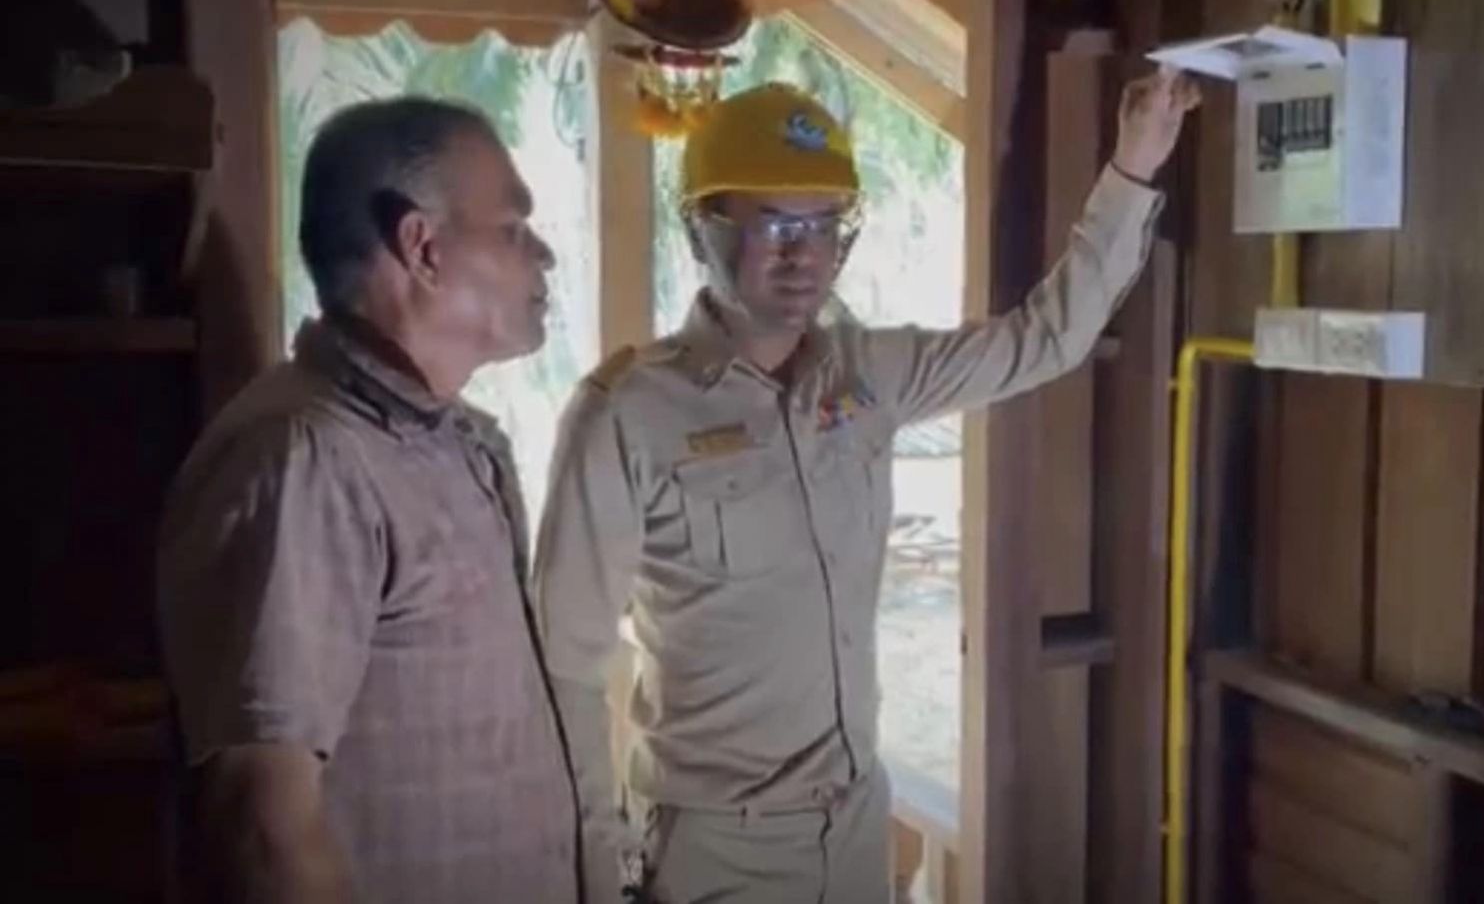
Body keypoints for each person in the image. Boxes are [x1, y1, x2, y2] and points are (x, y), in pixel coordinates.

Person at [533, 72, 1200, 902]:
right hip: (717, 846)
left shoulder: (868, 373)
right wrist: (597, 860)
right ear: (703, 229)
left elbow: (1046, 339)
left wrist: (1132, 167)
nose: (803, 254)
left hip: (854, 826)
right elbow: (564, 662)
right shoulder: (626, 414)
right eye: (774, 224)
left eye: (824, 225)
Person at [158, 97, 582, 903]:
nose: (544, 254)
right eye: (512, 229)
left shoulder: (450, 443)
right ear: (422, 247)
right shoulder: (308, 458)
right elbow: (264, 828)